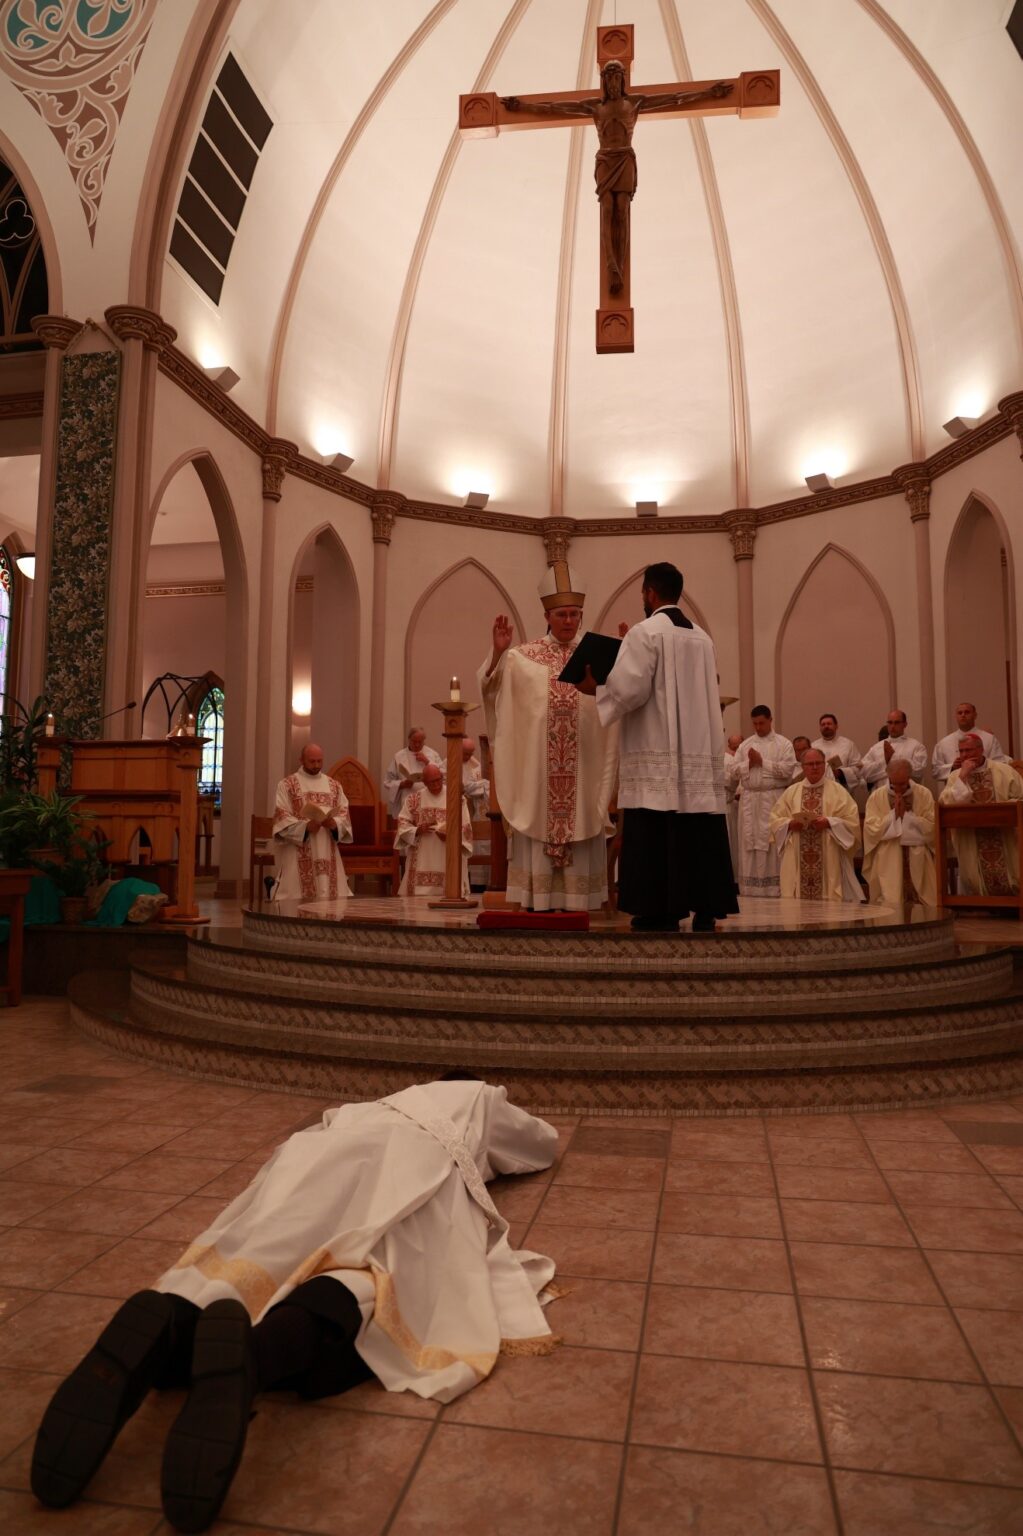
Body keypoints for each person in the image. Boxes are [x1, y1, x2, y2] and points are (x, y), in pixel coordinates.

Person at [30, 1076, 559, 1534]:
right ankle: (255, 1358)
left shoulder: (364, 1108)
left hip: (310, 1161)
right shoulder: (480, 1097)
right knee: (369, 1277)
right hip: (406, 1168)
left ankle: (169, 1320)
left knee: (251, 1259)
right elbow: (540, 1145)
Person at [578, 562, 737, 931]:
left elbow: (631, 690)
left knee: (656, 831)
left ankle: (659, 910)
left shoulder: (645, 632)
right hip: (698, 752)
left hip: (658, 756)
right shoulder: (702, 637)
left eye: (643, 595)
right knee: (698, 830)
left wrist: (596, 689)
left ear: (650, 593)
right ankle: (706, 907)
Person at [502, 62, 732, 297]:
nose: (612, 83)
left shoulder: (634, 103)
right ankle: (611, 265)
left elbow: (675, 98)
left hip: (624, 158)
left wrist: (708, 93)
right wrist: (522, 106)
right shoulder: (594, 107)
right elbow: (554, 108)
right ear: (603, 81)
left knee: (622, 210)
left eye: (616, 78)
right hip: (605, 160)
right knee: (607, 209)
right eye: (608, 78)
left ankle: (618, 268)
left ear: (622, 80)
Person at [478, 563, 618, 911]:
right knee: (539, 818)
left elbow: (619, 699)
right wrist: (497, 653)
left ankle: (578, 900)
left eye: (575, 614)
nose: (569, 621)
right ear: (547, 615)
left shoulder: (596, 655)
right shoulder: (522, 658)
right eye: (561, 614)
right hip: (539, 775)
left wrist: (628, 656)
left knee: (582, 817)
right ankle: (537, 899)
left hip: (583, 766)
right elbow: (493, 692)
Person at [769, 747, 864, 903]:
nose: (814, 767)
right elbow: (774, 819)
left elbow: (851, 822)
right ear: (803, 767)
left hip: (829, 854)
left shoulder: (838, 791)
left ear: (824, 765)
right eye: (810, 764)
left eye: (818, 763)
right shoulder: (791, 791)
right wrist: (790, 824)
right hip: (798, 853)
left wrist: (830, 823)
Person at [939, 732, 1022, 896]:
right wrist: (963, 776)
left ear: (981, 750)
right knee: (973, 876)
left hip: (1004, 834)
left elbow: (1020, 798)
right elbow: (946, 803)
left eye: (968, 750)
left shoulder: (1004, 771)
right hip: (971, 836)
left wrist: (1002, 810)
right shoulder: (956, 776)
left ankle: (1013, 900)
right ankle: (981, 901)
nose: (964, 755)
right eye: (961, 751)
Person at [727, 706, 797, 897]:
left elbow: (788, 771)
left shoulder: (784, 744)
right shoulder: (745, 745)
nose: (758, 727)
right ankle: (749, 888)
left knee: (771, 841)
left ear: (770, 720)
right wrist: (749, 763)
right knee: (749, 841)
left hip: (773, 798)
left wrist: (762, 762)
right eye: (755, 723)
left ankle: (773, 888)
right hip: (749, 799)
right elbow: (733, 771)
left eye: (762, 723)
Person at [272, 742, 352, 903]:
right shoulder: (287, 785)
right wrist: (305, 827)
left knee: (329, 897)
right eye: (312, 761)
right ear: (301, 760)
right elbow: (282, 816)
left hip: (326, 845)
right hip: (299, 850)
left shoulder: (334, 786)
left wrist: (334, 824)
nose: (316, 765)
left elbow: (344, 814)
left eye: (319, 761)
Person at [862, 758, 937, 906]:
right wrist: (893, 816)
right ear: (888, 776)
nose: (898, 789)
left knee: (923, 893)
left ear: (910, 776)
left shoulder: (923, 794)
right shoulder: (876, 797)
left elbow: (932, 825)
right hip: (888, 850)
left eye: (902, 784)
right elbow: (871, 828)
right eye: (894, 783)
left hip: (918, 851)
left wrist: (907, 817)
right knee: (890, 894)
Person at [395, 761, 473, 896]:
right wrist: (418, 830)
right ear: (424, 782)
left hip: (448, 851)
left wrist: (451, 836)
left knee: (450, 888)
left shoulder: (456, 798)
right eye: (432, 782)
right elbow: (402, 823)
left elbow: (466, 827)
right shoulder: (414, 799)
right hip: (422, 854)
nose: (436, 785)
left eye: (438, 780)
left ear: (442, 777)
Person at [932, 702, 1008, 784]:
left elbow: (1000, 765)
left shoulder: (989, 739)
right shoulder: (943, 743)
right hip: (956, 789)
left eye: (967, 712)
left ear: (975, 715)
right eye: (960, 713)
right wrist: (952, 767)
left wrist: (981, 763)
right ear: (956, 716)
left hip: (986, 786)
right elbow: (936, 771)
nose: (963, 715)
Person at [860, 709, 929, 792]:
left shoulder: (917, 746)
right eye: (890, 722)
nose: (892, 726)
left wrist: (892, 758)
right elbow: (865, 773)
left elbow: (919, 771)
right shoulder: (876, 748)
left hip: (909, 794)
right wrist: (886, 761)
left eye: (896, 723)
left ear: (905, 724)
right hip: (881, 796)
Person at [382, 727, 443, 819]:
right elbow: (388, 781)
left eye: (420, 742)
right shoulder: (399, 756)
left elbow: (443, 774)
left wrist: (427, 762)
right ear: (409, 739)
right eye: (414, 741)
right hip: (407, 797)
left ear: (424, 741)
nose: (417, 745)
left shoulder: (432, 755)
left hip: (429, 798)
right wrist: (401, 784)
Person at [812, 713, 862, 790]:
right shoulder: (813, 746)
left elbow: (858, 767)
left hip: (842, 787)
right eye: (823, 724)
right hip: (820, 787)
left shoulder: (848, 744)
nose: (826, 726)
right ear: (820, 728)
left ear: (836, 726)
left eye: (829, 724)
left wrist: (841, 773)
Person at [724, 731, 743, 878]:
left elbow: (733, 782)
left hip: (727, 807)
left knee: (731, 845)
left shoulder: (729, 760)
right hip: (708, 808)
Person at [461, 734, 489, 817]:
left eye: (471, 754)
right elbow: (465, 787)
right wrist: (483, 783)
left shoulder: (472, 764)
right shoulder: (448, 763)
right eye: (466, 754)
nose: (469, 757)